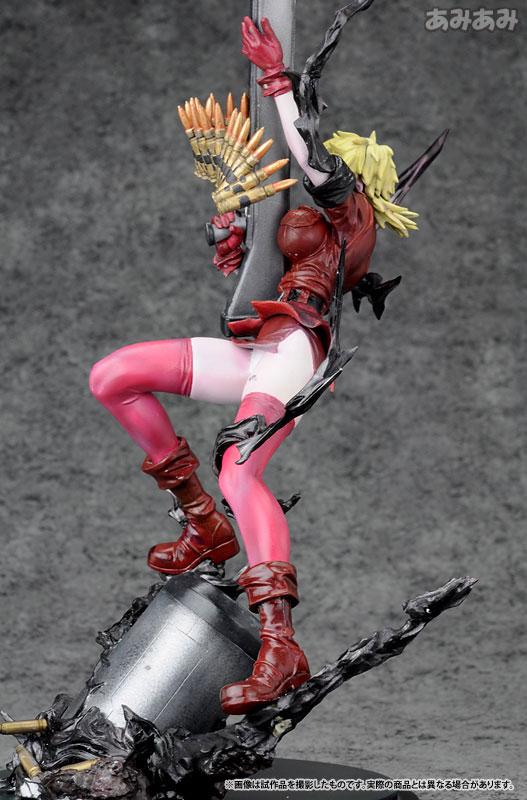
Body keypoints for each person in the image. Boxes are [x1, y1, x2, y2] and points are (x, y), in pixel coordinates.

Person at [89, 12, 418, 715]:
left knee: (241, 469)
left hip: (295, 348)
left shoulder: (351, 215)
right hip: (256, 342)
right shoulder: (317, 222)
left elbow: (310, 159)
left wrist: (277, 79)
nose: (328, 163)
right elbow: (258, 266)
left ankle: (279, 643)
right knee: (114, 376)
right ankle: (201, 521)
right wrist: (234, 237)